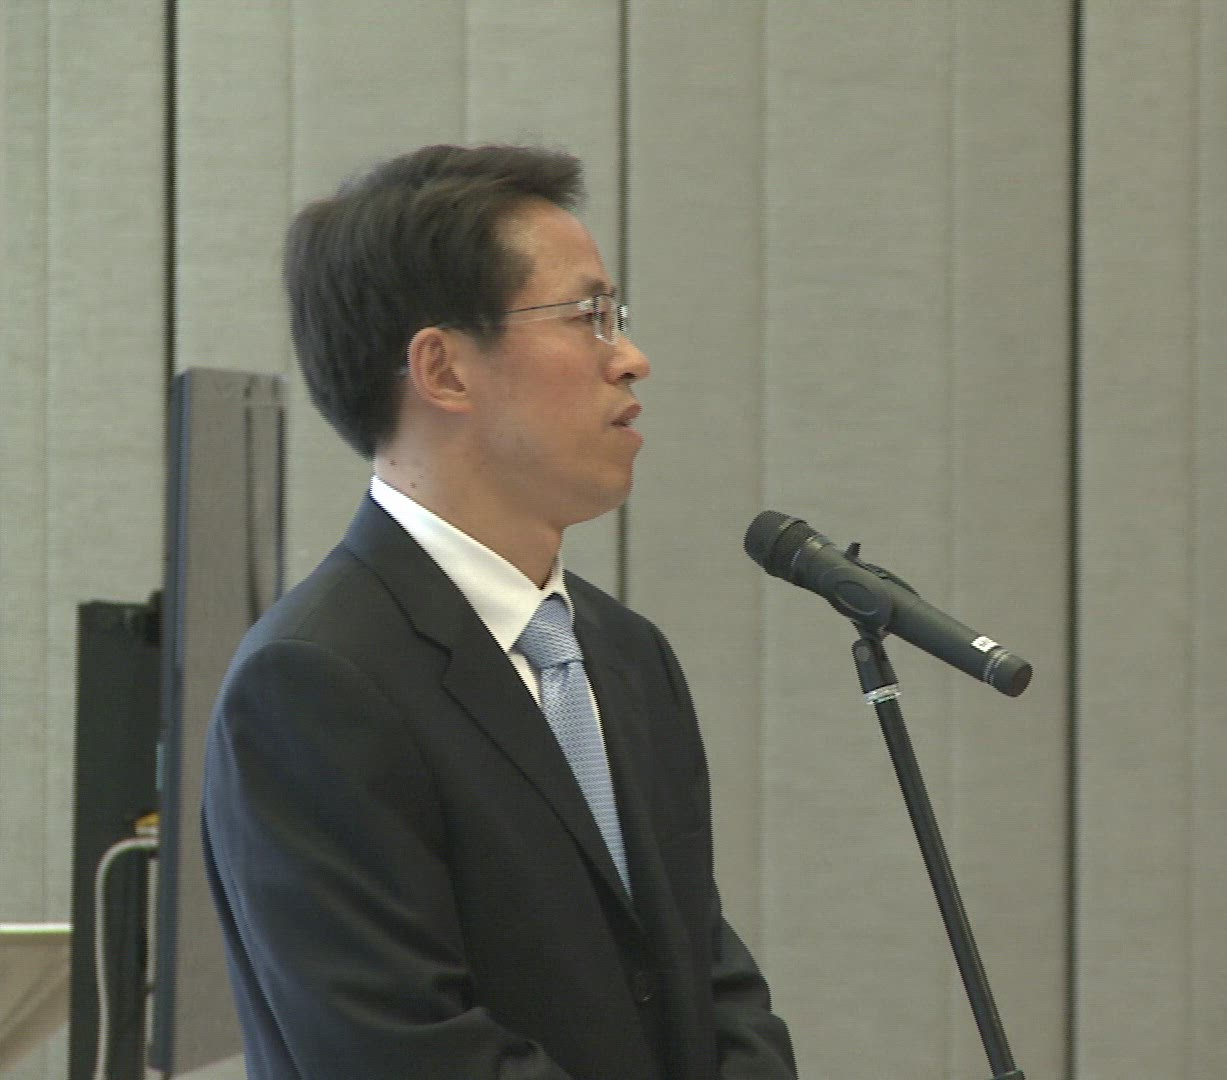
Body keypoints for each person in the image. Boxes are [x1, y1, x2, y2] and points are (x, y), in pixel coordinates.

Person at [201, 144, 798, 1080]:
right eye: (590, 317)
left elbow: (709, 978)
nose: (631, 358)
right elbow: (401, 1052)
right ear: (443, 369)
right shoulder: (313, 683)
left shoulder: (626, 653)